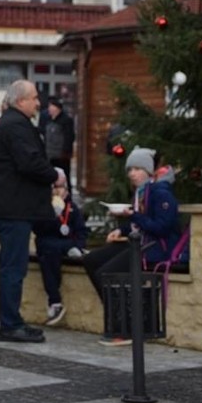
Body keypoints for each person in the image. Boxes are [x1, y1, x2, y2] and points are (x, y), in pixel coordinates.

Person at [0, 79, 65, 343]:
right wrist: (55, 175)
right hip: (13, 208)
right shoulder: (16, 125)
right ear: (21, 101)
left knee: (14, 266)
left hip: (14, 206)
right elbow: (29, 162)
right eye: (33, 98)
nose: (38, 103)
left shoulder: (14, 123)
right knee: (13, 268)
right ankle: (10, 324)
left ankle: (13, 320)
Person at [82, 146, 182, 346]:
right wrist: (122, 230)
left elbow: (162, 227)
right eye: (130, 169)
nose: (132, 174)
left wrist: (132, 216)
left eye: (137, 169)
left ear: (148, 171)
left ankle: (126, 327)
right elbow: (140, 222)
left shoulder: (160, 192)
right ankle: (116, 316)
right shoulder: (141, 192)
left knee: (107, 273)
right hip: (139, 243)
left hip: (154, 249)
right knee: (91, 260)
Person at [32, 181, 87, 326]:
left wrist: (79, 246)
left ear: (66, 190)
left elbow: (81, 232)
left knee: (59, 250)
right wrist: (52, 214)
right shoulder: (43, 207)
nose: (56, 191)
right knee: (49, 251)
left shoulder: (73, 208)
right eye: (53, 187)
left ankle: (55, 301)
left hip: (67, 243)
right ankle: (55, 300)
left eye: (60, 187)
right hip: (48, 245)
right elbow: (38, 230)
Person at [39, 97, 75, 184]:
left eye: (51, 106)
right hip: (50, 155)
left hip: (61, 156)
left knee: (64, 178)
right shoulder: (48, 120)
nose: (49, 109)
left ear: (57, 108)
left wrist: (65, 152)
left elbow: (69, 137)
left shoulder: (66, 120)